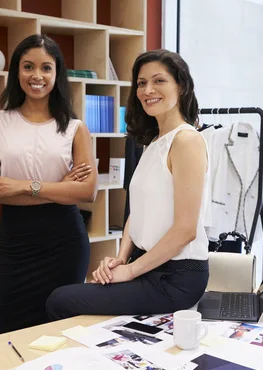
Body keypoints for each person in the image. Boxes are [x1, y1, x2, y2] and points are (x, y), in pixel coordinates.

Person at [46, 49, 210, 319]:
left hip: (177, 278)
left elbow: (186, 230)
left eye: (159, 81)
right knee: (69, 298)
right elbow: (138, 212)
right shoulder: (153, 143)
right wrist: (120, 258)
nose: (148, 90)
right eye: (142, 83)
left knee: (61, 300)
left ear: (180, 86)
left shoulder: (186, 141)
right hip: (147, 265)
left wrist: (130, 271)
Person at [0, 34, 98, 337]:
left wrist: (19, 187)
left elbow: (87, 193)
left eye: (46, 68)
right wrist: (58, 190)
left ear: (57, 74)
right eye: (28, 67)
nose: (37, 76)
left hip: (65, 243)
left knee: (58, 333)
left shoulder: (75, 128)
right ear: (17, 71)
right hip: (17, 243)